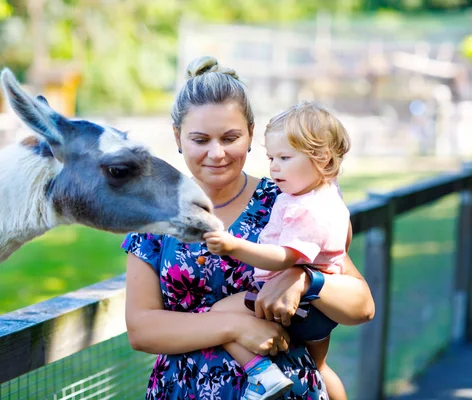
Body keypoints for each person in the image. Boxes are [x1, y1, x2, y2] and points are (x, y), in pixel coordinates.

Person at [123, 55, 374, 400]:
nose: (216, 153)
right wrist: (235, 325)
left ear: (251, 135)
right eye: (200, 139)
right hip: (185, 390)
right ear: (178, 137)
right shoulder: (153, 217)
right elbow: (141, 329)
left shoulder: (290, 201)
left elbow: (362, 305)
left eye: (230, 138)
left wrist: (307, 280)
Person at [204, 101, 351, 400]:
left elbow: (286, 257)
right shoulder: (324, 193)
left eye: (285, 157)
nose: (273, 167)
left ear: (321, 158)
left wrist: (235, 246)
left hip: (298, 303)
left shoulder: (306, 208)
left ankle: (261, 373)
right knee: (320, 367)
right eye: (271, 157)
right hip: (320, 309)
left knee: (218, 314)